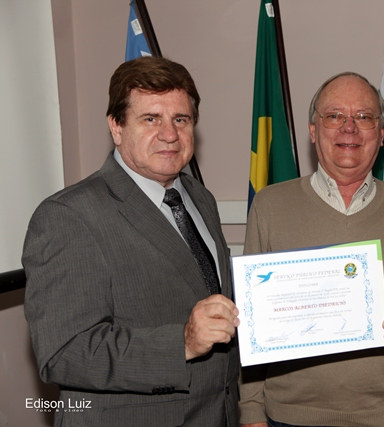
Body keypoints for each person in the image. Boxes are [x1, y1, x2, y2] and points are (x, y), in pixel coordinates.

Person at [23, 57, 240, 426]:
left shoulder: (199, 198)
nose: (169, 134)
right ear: (117, 127)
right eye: (151, 119)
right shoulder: (68, 215)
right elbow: (63, 353)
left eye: (181, 120)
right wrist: (182, 343)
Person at [238, 72, 384, 427]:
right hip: (289, 417)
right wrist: (250, 412)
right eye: (334, 115)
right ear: (313, 131)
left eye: (364, 117)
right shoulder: (269, 205)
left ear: (380, 135)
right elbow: (252, 321)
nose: (349, 127)